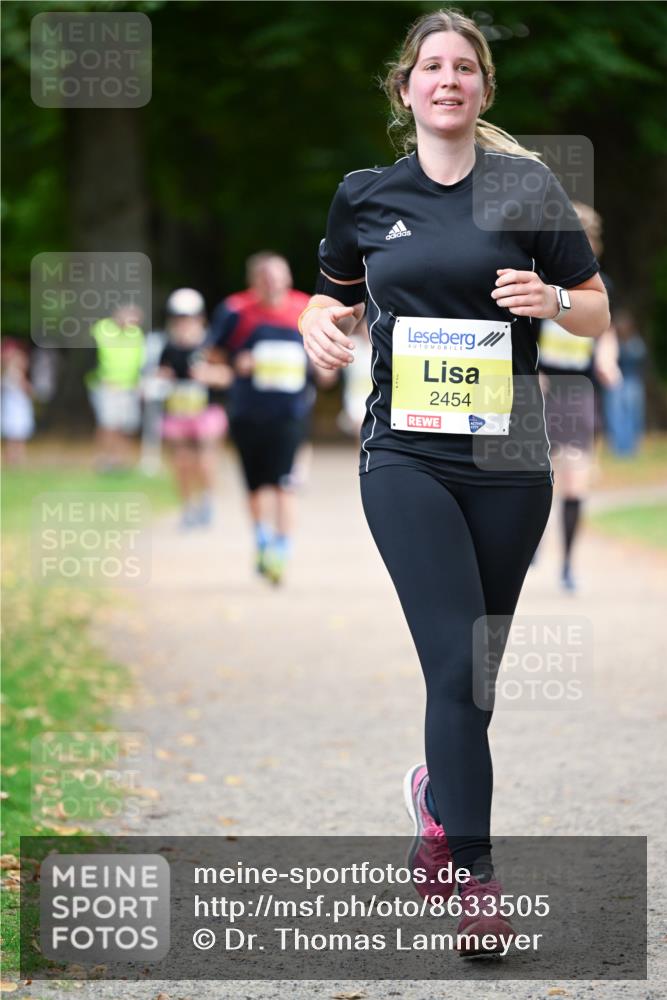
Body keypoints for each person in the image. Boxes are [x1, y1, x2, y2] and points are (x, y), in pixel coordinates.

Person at [299, 8, 610, 956]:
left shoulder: (526, 189)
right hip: (406, 456)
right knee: (451, 664)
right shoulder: (364, 194)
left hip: (508, 464)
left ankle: (436, 799)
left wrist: (552, 301)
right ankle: (473, 878)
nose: (447, 79)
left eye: (463, 67)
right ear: (406, 89)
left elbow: (596, 313)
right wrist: (318, 324)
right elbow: (333, 295)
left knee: (473, 679)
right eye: (430, 66)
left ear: (481, 89)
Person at [211, 252, 334, 585]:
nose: (274, 285)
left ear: (289, 279)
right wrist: (237, 365)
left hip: (290, 414)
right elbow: (212, 359)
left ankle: (282, 550)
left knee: (283, 484)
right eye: (266, 279)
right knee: (255, 485)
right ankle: (262, 539)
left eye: (279, 277)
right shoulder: (236, 312)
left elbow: (327, 365)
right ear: (254, 283)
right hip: (247, 412)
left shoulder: (306, 310)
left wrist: (323, 368)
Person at [537, 202, 620, 592]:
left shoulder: (600, 286)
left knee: (575, 481)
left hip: (578, 392)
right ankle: (530, 542)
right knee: (538, 477)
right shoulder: (537, 283)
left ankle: (568, 563)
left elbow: (606, 332)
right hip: (539, 390)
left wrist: (608, 361)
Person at [156, 288, 231, 528]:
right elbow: (160, 375)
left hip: (205, 414)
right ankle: (188, 506)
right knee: (182, 463)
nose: (184, 323)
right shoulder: (167, 347)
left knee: (206, 461)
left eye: (188, 318)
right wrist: (162, 378)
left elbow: (226, 376)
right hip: (178, 413)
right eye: (179, 318)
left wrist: (208, 375)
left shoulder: (210, 345)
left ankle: (207, 500)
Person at [85, 303, 145, 472]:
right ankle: (103, 459)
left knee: (126, 425)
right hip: (106, 385)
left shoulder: (136, 335)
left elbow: (139, 360)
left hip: (129, 386)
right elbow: (90, 353)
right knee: (108, 424)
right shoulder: (103, 329)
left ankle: (120, 460)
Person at [602, 307, 647, 457]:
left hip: (632, 381)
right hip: (616, 382)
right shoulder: (612, 342)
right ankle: (619, 448)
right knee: (615, 415)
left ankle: (631, 448)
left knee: (633, 414)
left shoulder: (635, 341)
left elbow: (640, 359)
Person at [1, 339, 35, 465]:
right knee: (15, 435)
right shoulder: (13, 374)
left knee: (16, 435)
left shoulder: (8, 374)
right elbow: (27, 389)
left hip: (15, 408)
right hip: (15, 409)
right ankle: (14, 459)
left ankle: (15, 459)